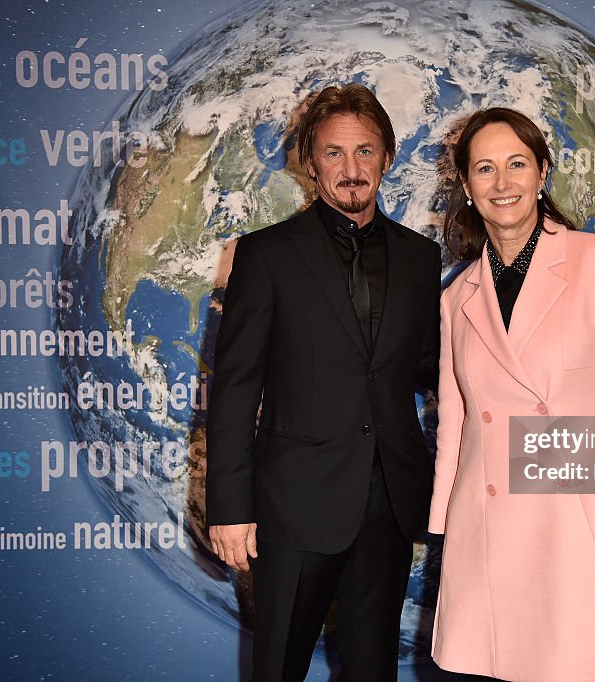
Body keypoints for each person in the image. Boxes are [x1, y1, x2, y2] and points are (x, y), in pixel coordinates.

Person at [428, 108, 595, 682]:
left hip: (577, 509)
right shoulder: (457, 297)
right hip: (489, 520)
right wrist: (447, 522)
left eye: (518, 164)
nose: (503, 183)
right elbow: (456, 422)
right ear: (467, 187)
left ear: (543, 174)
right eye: (486, 169)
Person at [205, 83, 442, 682]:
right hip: (294, 506)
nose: (351, 169)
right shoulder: (265, 256)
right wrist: (230, 509)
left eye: (365, 152)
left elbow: (429, 366)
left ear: (387, 159)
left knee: (373, 672)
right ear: (310, 164)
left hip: (388, 503)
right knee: (279, 667)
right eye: (334, 153)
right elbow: (236, 386)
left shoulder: (420, 258)